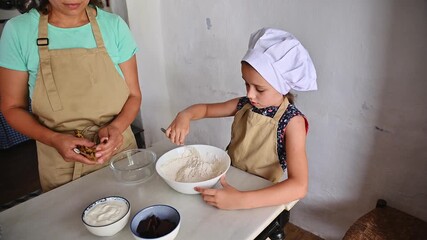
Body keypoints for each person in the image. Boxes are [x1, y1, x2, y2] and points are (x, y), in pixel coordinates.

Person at [165, 28, 317, 210]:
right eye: (246, 83)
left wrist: (241, 201)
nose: (250, 94)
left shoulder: (293, 122)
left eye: (259, 89)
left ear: (282, 87)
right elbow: (205, 109)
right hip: (229, 182)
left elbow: (299, 186)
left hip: (260, 197)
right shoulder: (243, 104)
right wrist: (185, 115)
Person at [0, 0, 141, 192]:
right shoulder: (19, 31)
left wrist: (116, 128)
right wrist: (53, 139)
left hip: (120, 153)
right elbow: (11, 107)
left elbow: (134, 95)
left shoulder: (113, 25)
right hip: (61, 166)